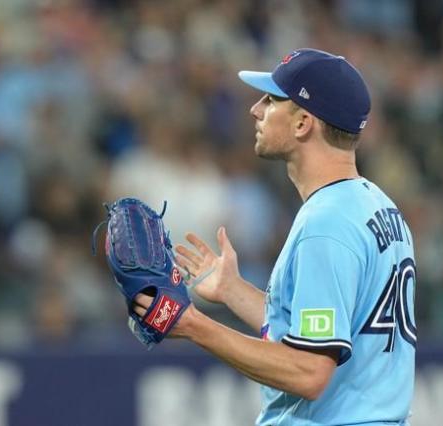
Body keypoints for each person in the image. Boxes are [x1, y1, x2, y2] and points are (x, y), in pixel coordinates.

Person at [134, 48, 416, 426]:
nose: (255, 109)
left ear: (302, 123)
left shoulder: (326, 223)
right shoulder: (375, 206)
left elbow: (309, 372)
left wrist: (193, 325)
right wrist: (233, 291)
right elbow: (325, 330)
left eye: (271, 100)